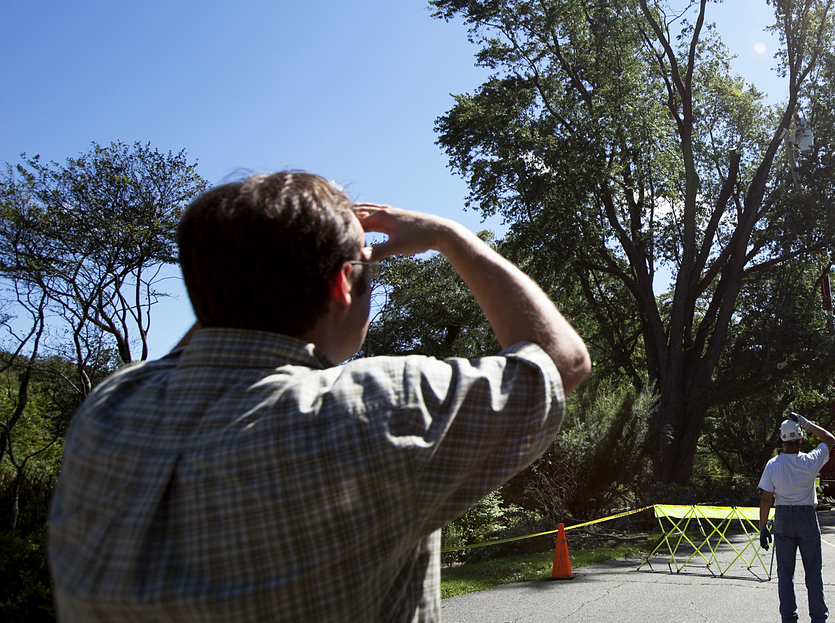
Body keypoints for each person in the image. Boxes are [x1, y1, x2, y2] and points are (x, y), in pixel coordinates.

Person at [48, 171, 591, 622]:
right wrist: (450, 236)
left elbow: (216, 331)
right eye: (366, 265)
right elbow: (561, 360)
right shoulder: (381, 406)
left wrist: (241, 266)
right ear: (342, 285)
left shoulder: (111, 407)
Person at [758, 412, 835, 623]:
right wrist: (807, 423)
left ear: (781, 440)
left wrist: (763, 527)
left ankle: (789, 618)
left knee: (785, 574)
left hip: (783, 518)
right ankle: (818, 618)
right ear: (800, 439)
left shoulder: (773, 465)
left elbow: (766, 499)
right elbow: (830, 440)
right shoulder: (810, 460)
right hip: (807, 517)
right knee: (813, 572)